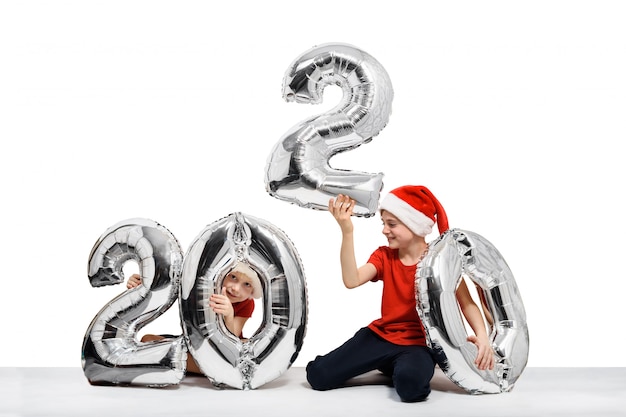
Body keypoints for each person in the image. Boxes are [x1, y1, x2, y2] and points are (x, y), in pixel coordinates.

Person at [306, 185, 494, 402]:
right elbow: (352, 280)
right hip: (381, 337)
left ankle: (398, 367)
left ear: (415, 225)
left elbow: (467, 303)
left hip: (417, 346)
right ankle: (384, 362)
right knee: (318, 376)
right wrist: (347, 231)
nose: (385, 230)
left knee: (411, 389)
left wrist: (482, 337)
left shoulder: (441, 261)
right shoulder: (385, 256)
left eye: (392, 224)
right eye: (383, 223)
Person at [126, 262, 262, 374]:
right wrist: (142, 285)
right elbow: (169, 287)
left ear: (253, 291)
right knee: (147, 340)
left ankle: (190, 365)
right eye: (233, 277)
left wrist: (229, 314)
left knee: (249, 346)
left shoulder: (247, 303)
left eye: (247, 284)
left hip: (222, 351)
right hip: (193, 344)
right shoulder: (204, 290)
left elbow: (233, 338)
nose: (236, 288)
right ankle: (205, 368)